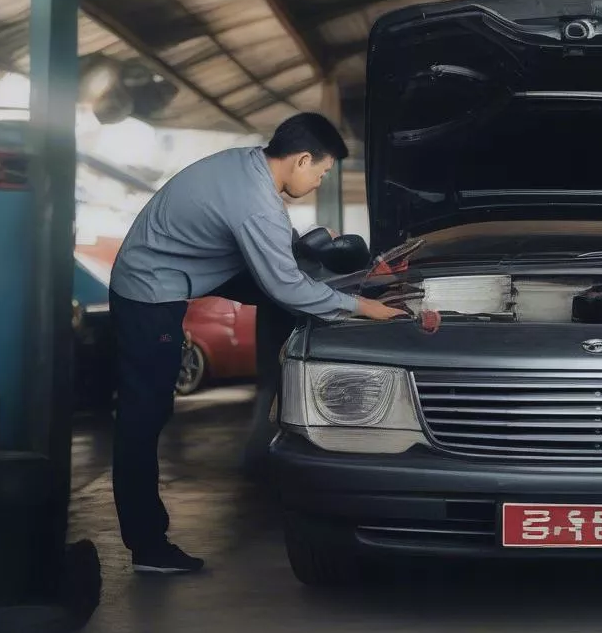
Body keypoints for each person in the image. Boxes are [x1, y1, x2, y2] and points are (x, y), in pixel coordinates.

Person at [109, 112, 404, 575]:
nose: (321, 180)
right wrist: (361, 309)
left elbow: (279, 252)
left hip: (193, 266)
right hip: (150, 291)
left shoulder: (248, 165)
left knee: (302, 276)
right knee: (143, 417)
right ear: (303, 159)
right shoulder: (254, 203)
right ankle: (147, 545)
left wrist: (328, 271)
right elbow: (284, 285)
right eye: (322, 172)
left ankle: (288, 385)